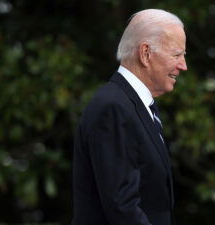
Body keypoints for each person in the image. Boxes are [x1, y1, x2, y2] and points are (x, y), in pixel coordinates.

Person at [72, 8, 187, 225]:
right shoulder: (114, 107)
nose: (183, 65)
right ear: (145, 54)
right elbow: (122, 207)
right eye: (176, 54)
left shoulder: (135, 106)